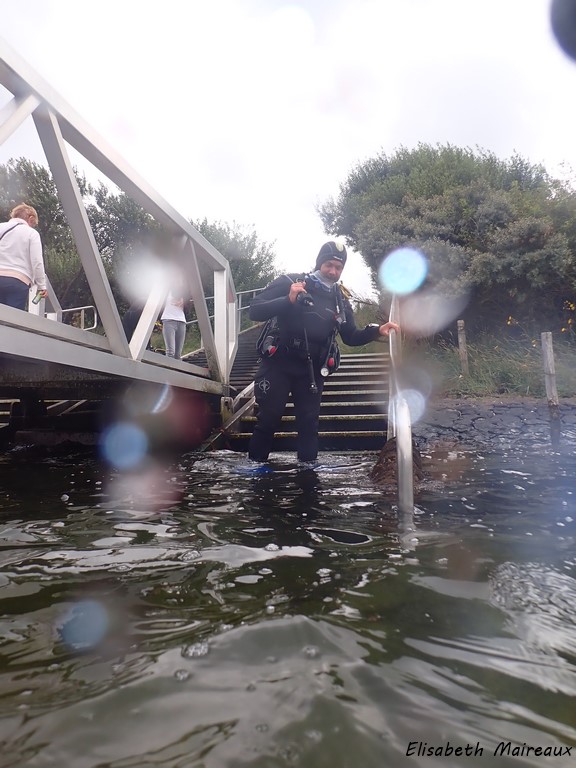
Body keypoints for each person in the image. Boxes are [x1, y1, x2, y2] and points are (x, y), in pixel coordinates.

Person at [248, 240, 400, 463]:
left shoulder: (340, 300)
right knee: (268, 419)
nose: (333, 272)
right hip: (278, 364)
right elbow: (254, 310)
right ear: (319, 263)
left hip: (311, 369)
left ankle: (308, 474)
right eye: (329, 265)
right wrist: (288, 299)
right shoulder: (291, 282)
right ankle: (256, 471)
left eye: (338, 267)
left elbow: (350, 336)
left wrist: (377, 330)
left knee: (309, 424)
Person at [0, 203, 47, 310]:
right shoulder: (32, 233)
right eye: (33, 224)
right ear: (30, 218)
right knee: (12, 317)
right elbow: (37, 261)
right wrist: (41, 286)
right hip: (17, 282)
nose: (32, 226)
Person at [161, 287, 187, 358]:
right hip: (168, 320)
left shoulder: (184, 292)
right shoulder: (165, 290)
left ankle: (176, 366)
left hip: (181, 321)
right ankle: (167, 365)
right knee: (170, 352)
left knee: (178, 354)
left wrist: (185, 300)